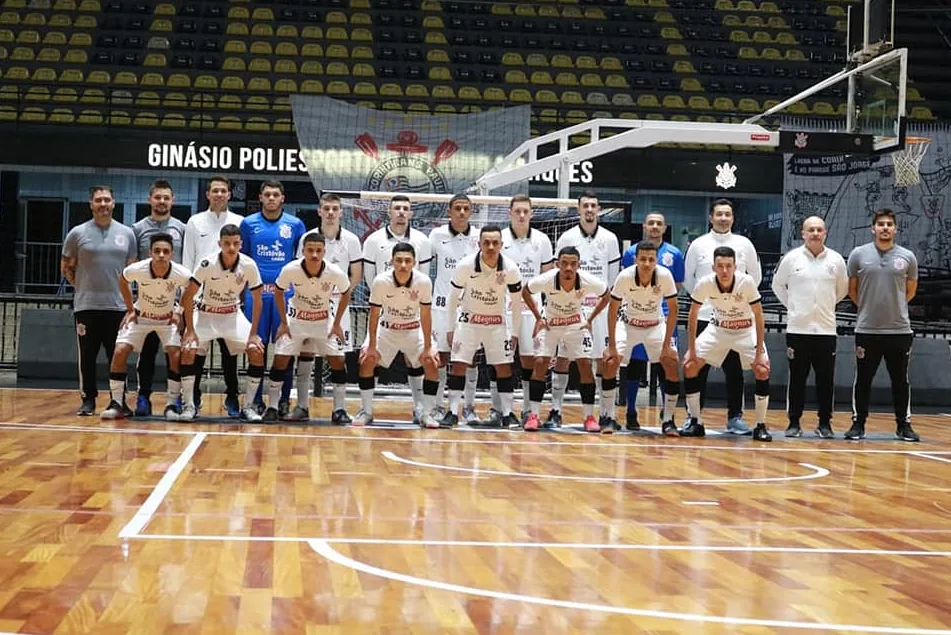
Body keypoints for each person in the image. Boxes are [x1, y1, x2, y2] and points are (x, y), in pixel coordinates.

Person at [682, 198, 761, 435]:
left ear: (733, 218)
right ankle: (693, 418)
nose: (723, 218)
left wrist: (735, 302)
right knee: (696, 367)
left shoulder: (744, 244)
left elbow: (754, 278)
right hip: (705, 316)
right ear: (711, 217)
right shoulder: (697, 244)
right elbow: (688, 279)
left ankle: (735, 417)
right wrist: (707, 299)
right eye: (719, 214)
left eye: (727, 214)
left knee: (735, 371)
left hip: (735, 319)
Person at [60, 185, 137, 416]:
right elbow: (66, 266)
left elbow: (131, 270)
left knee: (118, 355)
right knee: (87, 356)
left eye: (107, 200)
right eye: (99, 200)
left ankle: (118, 400)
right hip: (86, 307)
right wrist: (81, 288)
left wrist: (128, 301)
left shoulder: (127, 234)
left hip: (118, 307)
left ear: (114, 203)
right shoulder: (77, 233)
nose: (103, 204)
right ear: (91, 204)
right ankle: (88, 399)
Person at [682, 246, 772, 442]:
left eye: (728, 266)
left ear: (735, 266)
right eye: (720, 266)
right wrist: (691, 349)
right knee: (689, 365)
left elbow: (759, 315)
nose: (724, 271)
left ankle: (760, 426)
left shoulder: (746, 282)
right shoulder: (705, 283)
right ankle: (696, 421)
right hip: (719, 329)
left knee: (762, 369)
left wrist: (758, 353)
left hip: (745, 330)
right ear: (713, 267)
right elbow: (693, 314)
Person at [846, 209, 920, 442]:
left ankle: (903, 425)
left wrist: (893, 306)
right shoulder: (858, 254)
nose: (885, 228)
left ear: (895, 229)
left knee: (900, 380)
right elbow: (852, 290)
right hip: (867, 329)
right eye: (881, 224)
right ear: (873, 228)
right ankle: (858, 424)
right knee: (863, 379)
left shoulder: (908, 257)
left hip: (899, 330)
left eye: (889, 224)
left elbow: (910, 291)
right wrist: (869, 308)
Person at [178, 224, 265, 422]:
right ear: (219, 244)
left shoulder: (249, 265)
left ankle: (249, 406)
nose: (231, 248)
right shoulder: (207, 263)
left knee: (256, 350)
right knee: (188, 349)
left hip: (232, 315)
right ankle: (189, 405)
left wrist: (253, 333)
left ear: (241, 244)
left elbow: (258, 299)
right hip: (206, 314)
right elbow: (188, 295)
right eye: (227, 244)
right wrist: (190, 330)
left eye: (235, 243)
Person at [771, 216, 848, 438]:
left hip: (826, 331)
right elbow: (777, 285)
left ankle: (825, 423)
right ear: (803, 233)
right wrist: (793, 306)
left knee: (826, 380)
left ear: (825, 233)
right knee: (797, 378)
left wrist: (825, 305)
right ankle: (794, 422)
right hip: (798, 330)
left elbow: (841, 290)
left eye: (819, 230)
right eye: (810, 230)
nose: (815, 233)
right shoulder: (791, 258)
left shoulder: (836, 260)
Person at [101, 233, 191, 421]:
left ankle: (172, 404)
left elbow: (191, 287)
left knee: (175, 354)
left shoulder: (180, 272)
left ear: (171, 254)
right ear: (150, 252)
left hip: (166, 319)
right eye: (157, 251)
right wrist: (129, 309)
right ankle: (117, 403)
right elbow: (123, 279)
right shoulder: (138, 269)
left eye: (165, 251)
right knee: (119, 351)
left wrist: (179, 311)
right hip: (141, 316)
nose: (161, 255)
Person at [440, 225, 523, 428]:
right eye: (486, 242)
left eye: (495, 242)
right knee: (459, 364)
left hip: (497, 323)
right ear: (479, 244)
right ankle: (452, 412)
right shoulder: (465, 265)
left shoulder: (510, 268)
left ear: (502, 245)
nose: (491, 246)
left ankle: (507, 414)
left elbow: (517, 303)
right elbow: (452, 300)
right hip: (468, 322)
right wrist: (450, 329)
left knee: (503, 367)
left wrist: (515, 332)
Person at [265, 232, 352, 423]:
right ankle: (272, 407)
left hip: (323, 321)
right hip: (296, 320)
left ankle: (339, 410)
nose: (314, 254)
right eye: (310, 250)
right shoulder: (291, 269)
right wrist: (283, 321)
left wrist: (336, 323)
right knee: (280, 360)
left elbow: (346, 293)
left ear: (324, 251)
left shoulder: (335, 271)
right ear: (303, 251)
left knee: (338, 361)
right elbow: (278, 292)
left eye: (318, 251)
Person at [551, 190, 621, 428]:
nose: (590, 209)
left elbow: (612, 282)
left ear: (598, 209)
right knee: (562, 358)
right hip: (569, 309)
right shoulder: (566, 238)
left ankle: (606, 413)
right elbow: (557, 276)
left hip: (599, 309)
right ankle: (555, 410)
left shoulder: (610, 239)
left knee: (602, 360)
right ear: (578, 209)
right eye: (585, 206)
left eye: (593, 206)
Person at [522, 246, 608, 432]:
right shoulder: (547, 279)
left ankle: (589, 416)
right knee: (540, 362)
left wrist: (591, 319)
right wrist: (538, 317)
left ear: (579, 265)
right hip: (550, 324)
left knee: (585, 364)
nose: (568, 267)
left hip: (575, 324)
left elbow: (606, 295)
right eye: (564, 263)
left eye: (573, 263)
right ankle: (534, 415)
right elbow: (525, 291)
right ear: (557, 264)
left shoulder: (587, 280)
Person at [240, 180, 306, 415]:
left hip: (285, 295)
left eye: (275, 194)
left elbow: (301, 262)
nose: (271, 198)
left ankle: (282, 400)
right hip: (256, 295)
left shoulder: (295, 225)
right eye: (267, 194)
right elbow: (243, 260)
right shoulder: (247, 224)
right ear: (260, 197)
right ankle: (254, 400)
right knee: (256, 346)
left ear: (282, 198)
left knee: (284, 348)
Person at [357, 242, 441, 427]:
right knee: (367, 360)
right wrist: (371, 345)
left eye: (408, 261)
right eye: (399, 260)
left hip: (413, 328)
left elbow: (426, 315)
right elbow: (374, 314)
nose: (403, 265)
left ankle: (427, 413)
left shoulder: (423, 282)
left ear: (415, 263)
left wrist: (428, 347)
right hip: (386, 329)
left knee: (431, 362)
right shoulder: (380, 281)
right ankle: (366, 411)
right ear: (391, 262)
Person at [603, 241, 682, 436]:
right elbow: (612, 309)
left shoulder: (664, 275)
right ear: (635, 259)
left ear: (656, 260)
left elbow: (674, 310)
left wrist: (666, 346)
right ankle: (608, 417)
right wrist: (611, 345)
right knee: (611, 361)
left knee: (671, 362)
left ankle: (669, 420)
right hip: (628, 324)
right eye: (643, 259)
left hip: (655, 325)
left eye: (651, 259)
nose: (647, 263)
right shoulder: (624, 276)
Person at [182, 176, 243, 417]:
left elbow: (243, 261)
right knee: (197, 350)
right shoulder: (195, 222)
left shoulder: (240, 221)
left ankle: (232, 397)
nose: (219, 194)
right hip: (200, 299)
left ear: (229, 194)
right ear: (207, 194)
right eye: (215, 190)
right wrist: (183, 301)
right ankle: (193, 397)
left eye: (223, 191)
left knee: (230, 353)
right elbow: (188, 261)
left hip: (229, 298)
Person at [619, 212, 685, 430]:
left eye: (659, 223)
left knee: (667, 364)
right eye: (651, 223)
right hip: (636, 315)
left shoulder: (674, 253)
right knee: (635, 365)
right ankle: (630, 411)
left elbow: (677, 285)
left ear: (665, 228)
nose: (655, 226)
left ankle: (668, 416)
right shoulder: (631, 252)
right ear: (644, 226)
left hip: (664, 315)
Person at [130, 179, 187, 416]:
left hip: (173, 304)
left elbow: (185, 266)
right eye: (158, 197)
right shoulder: (138, 229)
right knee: (147, 353)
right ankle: (143, 397)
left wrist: (183, 307)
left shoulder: (182, 228)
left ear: (172, 200)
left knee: (175, 352)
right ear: (150, 199)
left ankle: (175, 399)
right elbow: (132, 267)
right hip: (146, 303)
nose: (162, 201)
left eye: (166, 197)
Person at [501, 194, 554, 423]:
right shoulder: (499, 238)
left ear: (531, 213)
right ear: (510, 213)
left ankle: (528, 409)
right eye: (517, 211)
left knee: (530, 361)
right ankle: (500, 409)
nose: (521, 215)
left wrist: (545, 311)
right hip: (503, 308)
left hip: (532, 309)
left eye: (525, 211)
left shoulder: (542, 240)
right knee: (501, 360)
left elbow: (548, 277)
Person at [428, 195, 481, 423]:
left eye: (466, 208)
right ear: (449, 211)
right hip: (440, 306)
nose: (461, 212)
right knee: (441, 356)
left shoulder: (479, 237)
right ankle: (439, 406)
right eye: (457, 208)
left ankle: (468, 408)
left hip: (469, 307)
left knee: (469, 359)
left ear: (471, 212)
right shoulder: (436, 235)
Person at [295, 192, 363, 356]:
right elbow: (299, 272)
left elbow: (357, 274)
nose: (330, 213)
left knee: (338, 352)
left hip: (339, 303)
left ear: (341, 212)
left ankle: (339, 383)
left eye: (335, 209)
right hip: (311, 303)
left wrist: (343, 292)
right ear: (319, 211)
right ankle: (305, 382)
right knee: (307, 350)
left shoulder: (352, 240)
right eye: (326, 208)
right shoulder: (307, 238)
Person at [361, 194, 432, 284]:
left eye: (405, 209)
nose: (401, 212)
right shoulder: (372, 240)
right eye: (397, 208)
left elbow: (423, 279)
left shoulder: (422, 240)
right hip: (382, 296)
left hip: (412, 296)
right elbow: (370, 280)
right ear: (389, 212)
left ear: (410, 214)